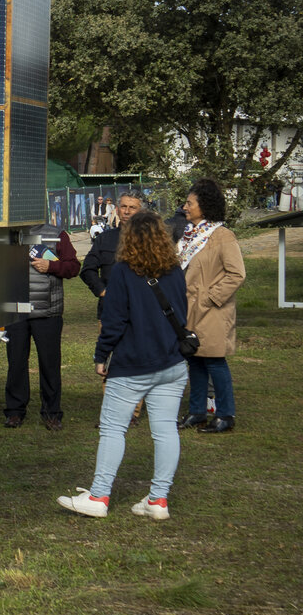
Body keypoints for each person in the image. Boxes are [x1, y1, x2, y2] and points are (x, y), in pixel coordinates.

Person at [59, 209, 190, 520]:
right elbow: (182, 313)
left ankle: (99, 495)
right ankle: (158, 500)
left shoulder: (121, 272)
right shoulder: (175, 270)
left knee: (113, 429)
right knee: (165, 429)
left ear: (128, 239)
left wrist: (101, 356)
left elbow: (114, 321)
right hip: (172, 361)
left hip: (133, 365)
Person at [178, 177, 247, 434]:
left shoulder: (221, 235)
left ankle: (225, 414)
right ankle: (197, 412)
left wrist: (210, 298)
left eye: (189, 203)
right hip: (189, 310)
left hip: (213, 311)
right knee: (195, 360)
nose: (185, 206)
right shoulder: (188, 236)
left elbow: (236, 274)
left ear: (203, 206)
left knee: (216, 362)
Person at [5, 218, 80, 429]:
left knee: (49, 365)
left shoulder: (57, 234)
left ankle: (52, 412)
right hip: (16, 311)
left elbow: (73, 267)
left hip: (48, 312)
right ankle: (15, 411)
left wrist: (52, 266)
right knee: (16, 363)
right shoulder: (7, 232)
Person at [80, 187, 146, 313]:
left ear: (142, 211)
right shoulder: (104, 238)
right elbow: (87, 269)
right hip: (110, 309)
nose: (127, 211)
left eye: (132, 208)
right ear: (117, 209)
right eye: (123, 206)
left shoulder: (152, 239)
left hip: (142, 309)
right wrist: (101, 290)